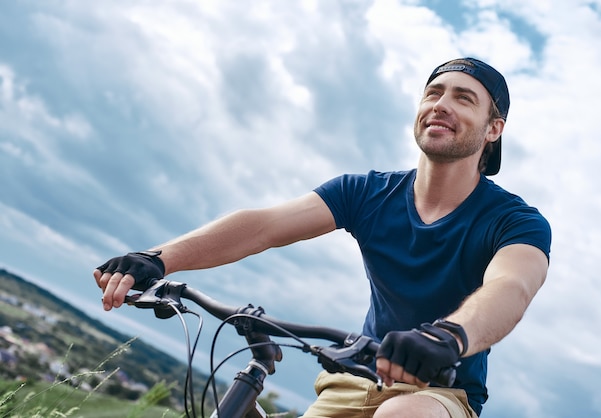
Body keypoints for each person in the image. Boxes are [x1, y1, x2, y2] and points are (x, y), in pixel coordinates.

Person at [94, 57, 551, 418]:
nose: (441, 105)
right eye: (433, 92)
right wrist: (159, 258)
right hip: (354, 378)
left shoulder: (516, 222)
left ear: (494, 129)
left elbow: (511, 286)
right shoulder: (366, 192)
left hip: (441, 395)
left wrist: (450, 337)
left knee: (402, 414)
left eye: (464, 99)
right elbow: (262, 226)